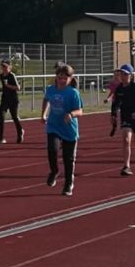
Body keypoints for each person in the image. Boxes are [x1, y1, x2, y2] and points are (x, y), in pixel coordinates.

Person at [41, 64, 83, 196]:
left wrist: (71, 114)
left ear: (70, 79)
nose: (62, 80)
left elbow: (80, 111)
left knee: (68, 158)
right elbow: (46, 99)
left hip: (69, 129)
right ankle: (54, 171)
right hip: (53, 126)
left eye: (65, 78)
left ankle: (68, 183)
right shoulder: (51, 89)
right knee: (52, 149)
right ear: (56, 77)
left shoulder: (73, 93)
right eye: (60, 78)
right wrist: (43, 114)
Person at [111, 64, 135, 176]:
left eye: (125, 74)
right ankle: (126, 166)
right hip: (126, 117)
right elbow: (115, 103)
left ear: (130, 76)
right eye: (121, 74)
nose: (123, 76)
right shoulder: (119, 89)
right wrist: (113, 114)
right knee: (126, 139)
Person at [0, 59, 24, 144]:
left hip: (13, 99)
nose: (4, 68)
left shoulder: (12, 75)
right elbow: (4, 87)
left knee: (14, 117)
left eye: (5, 67)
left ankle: (20, 132)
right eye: (2, 66)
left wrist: (7, 85)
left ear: (10, 67)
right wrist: (2, 89)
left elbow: (18, 88)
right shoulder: (1, 76)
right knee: (1, 117)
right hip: (4, 99)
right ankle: (1, 138)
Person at [103, 69, 119, 137]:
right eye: (115, 74)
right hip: (115, 101)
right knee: (113, 117)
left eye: (117, 75)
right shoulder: (112, 83)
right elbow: (112, 92)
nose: (116, 76)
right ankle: (114, 127)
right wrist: (108, 99)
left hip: (123, 101)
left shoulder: (123, 82)